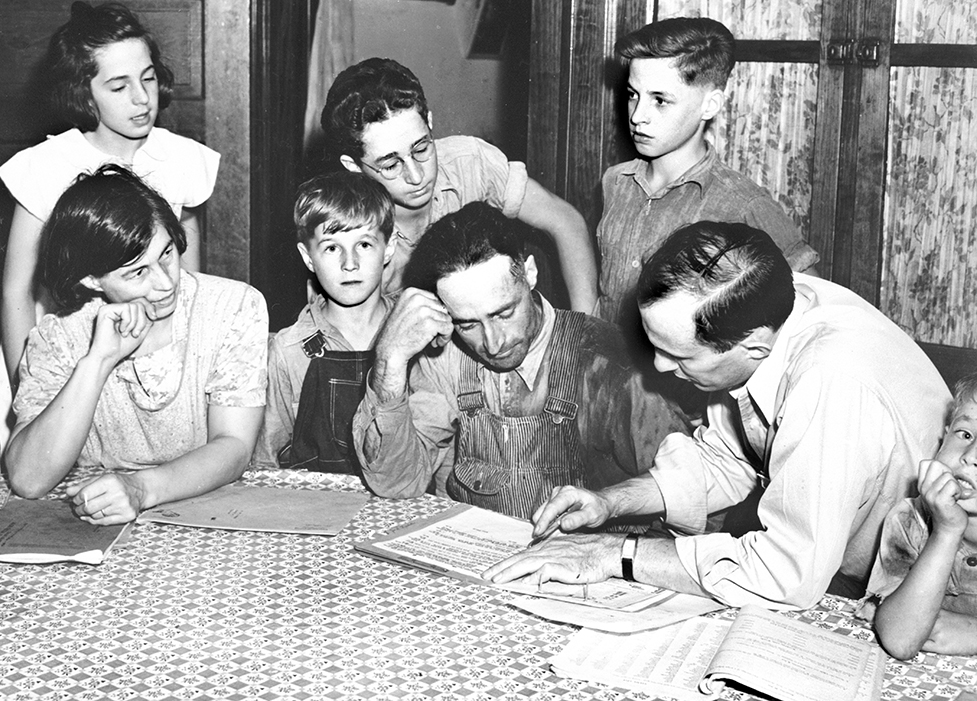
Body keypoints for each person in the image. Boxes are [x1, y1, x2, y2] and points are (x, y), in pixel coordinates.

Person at [485, 221, 949, 610]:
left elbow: (786, 574)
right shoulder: (764, 304)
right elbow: (730, 460)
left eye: (679, 356)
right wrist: (612, 502)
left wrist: (613, 553)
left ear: (754, 346)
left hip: (929, 591)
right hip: (847, 567)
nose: (661, 367)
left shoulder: (830, 381)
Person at [351, 203, 684, 519]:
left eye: (504, 313)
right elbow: (396, 484)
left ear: (530, 273)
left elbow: (685, 496)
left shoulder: (611, 364)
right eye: (467, 324)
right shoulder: (446, 357)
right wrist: (389, 362)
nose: (493, 344)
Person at [0, 1, 219, 446]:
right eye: (119, 86)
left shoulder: (181, 159)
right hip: (56, 357)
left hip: (150, 358)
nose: (142, 98)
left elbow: (189, 283)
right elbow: (15, 291)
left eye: (148, 78)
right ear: (84, 92)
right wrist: (31, 392)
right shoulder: (47, 166)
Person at [5, 165, 265, 525]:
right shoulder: (60, 334)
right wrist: (97, 362)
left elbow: (235, 446)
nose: (164, 283)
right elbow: (27, 479)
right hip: (100, 522)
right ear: (92, 279)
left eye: (167, 254)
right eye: (137, 272)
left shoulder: (233, 306)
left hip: (213, 511)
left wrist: (140, 489)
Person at [321, 57, 598, 313]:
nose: (417, 176)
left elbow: (566, 222)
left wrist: (584, 334)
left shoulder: (468, 162)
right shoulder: (343, 229)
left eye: (421, 149)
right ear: (353, 166)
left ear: (429, 122)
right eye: (391, 166)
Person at [596, 17, 818, 328]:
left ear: (709, 105)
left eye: (660, 100)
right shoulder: (614, 182)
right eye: (633, 94)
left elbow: (813, 304)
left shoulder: (742, 205)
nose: (637, 116)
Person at [254, 172, 397, 472]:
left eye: (365, 245)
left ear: (390, 246)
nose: (350, 263)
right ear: (308, 257)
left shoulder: (413, 335)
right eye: (332, 247)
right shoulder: (288, 350)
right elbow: (266, 460)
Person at [866, 374, 977, 660]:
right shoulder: (910, 522)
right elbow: (900, 639)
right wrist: (947, 531)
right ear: (944, 437)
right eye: (965, 434)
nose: (971, 455)